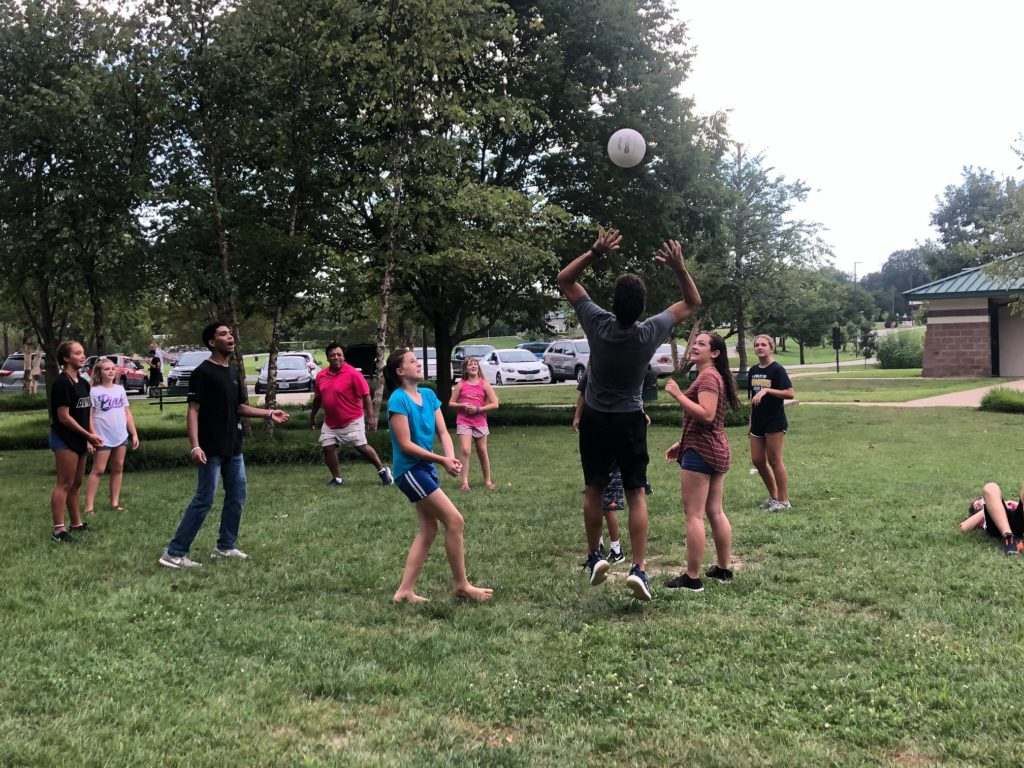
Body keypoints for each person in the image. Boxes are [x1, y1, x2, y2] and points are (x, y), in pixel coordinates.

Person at [557, 228, 701, 601]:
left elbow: (565, 279)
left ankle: (593, 556)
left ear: (614, 302)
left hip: (596, 419)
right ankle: (639, 568)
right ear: (640, 307)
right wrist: (679, 267)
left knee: (594, 488)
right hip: (629, 420)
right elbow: (691, 302)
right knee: (636, 492)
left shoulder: (596, 321)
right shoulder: (649, 331)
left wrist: (595, 251)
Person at [158, 322, 289, 569]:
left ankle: (225, 547)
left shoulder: (233, 371)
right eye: (223, 334)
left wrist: (269, 413)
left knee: (237, 495)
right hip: (209, 448)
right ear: (211, 342)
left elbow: (240, 407)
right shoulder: (202, 373)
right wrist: (195, 446)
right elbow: (193, 411)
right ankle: (174, 553)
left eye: (230, 333)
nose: (230, 337)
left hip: (233, 446)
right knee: (204, 499)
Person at [386, 348, 493, 603]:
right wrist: (442, 460)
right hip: (410, 471)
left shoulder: (429, 395)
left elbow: (443, 432)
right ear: (400, 371)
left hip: (425, 469)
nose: (418, 364)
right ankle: (461, 585)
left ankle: (404, 592)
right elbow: (405, 445)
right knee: (455, 520)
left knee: (429, 528)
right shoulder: (397, 400)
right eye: (412, 361)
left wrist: (450, 457)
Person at [664, 332, 740, 592]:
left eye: (701, 344)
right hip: (714, 449)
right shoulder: (713, 376)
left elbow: (706, 415)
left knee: (694, 515)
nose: (694, 346)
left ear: (715, 353)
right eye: (694, 343)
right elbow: (707, 421)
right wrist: (682, 443)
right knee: (715, 511)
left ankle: (692, 578)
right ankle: (723, 568)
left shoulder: (707, 377)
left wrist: (677, 394)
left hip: (702, 453)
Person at [309, 342, 393, 487]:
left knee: (361, 446)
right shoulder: (321, 376)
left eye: (339, 354)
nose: (336, 357)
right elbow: (318, 398)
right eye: (332, 355)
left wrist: (371, 417)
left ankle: (382, 471)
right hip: (330, 422)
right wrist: (313, 416)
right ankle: (337, 478)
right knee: (328, 447)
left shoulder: (353, 374)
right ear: (327, 358)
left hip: (352, 419)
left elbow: (366, 395)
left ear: (343, 357)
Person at [48, 340, 103, 542]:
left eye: (83, 352)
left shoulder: (83, 383)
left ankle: (77, 524)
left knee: (76, 483)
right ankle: (58, 530)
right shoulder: (62, 383)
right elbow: (63, 417)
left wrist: (90, 434)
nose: (82, 356)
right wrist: (88, 435)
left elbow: (85, 411)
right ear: (66, 358)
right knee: (64, 483)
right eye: (78, 353)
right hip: (64, 439)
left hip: (80, 438)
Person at [572, 368, 624, 564]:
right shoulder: (591, 369)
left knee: (608, 506)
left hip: (612, 455)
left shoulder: (618, 370)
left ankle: (616, 549)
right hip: (597, 448)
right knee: (594, 499)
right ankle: (598, 547)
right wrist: (578, 416)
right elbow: (582, 394)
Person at [85, 358, 140, 514]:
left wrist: (133, 433)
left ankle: (115, 503)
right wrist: (90, 437)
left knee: (118, 468)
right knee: (98, 470)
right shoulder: (93, 391)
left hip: (120, 435)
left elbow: (127, 413)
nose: (110, 371)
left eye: (112, 368)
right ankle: (89, 507)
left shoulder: (119, 389)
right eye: (106, 369)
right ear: (99, 372)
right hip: (102, 436)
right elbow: (88, 416)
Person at [748, 335, 794, 511]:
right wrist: (750, 422)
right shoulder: (753, 370)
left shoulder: (777, 370)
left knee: (774, 460)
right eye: (757, 345)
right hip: (757, 422)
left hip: (774, 420)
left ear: (771, 348)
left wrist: (768, 390)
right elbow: (753, 399)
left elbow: (790, 393)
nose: (760, 347)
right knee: (758, 460)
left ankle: (784, 501)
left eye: (764, 344)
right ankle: (774, 497)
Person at [448, 356, 499, 491]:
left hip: (480, 421)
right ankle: (464, 483)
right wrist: (462, 405)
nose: (473, 366)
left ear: (478, 367)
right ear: (465, 368)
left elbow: (495, 404)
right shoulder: (461, 385)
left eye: (475, 364)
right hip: (464, 421)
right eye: (470, 364)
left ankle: (487, 481)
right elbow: (450, 403)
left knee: (482, 450)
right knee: (465, 450)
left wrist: (479, 409)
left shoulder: (484, 384)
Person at [960, 482, 1024, 555]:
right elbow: (963, 527)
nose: (979, 503)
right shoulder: (983, 514)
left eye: (980, 500)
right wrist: (987, 508)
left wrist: (1006, 504)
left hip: (1016, 519)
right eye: (976, 506)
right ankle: (1009, 539)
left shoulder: (1008, 504)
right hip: (996, 526)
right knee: (990, 487)